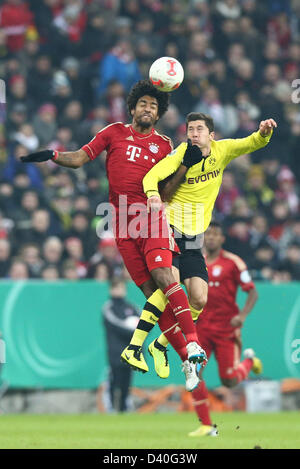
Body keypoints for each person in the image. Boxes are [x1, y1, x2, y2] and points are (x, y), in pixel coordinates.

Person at [20, 80, 207, 381]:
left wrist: (184, 165)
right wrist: (53, 156)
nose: (148, 108)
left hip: (151, 217)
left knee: (164, 277)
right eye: (143, 104)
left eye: (154, 106)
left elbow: (168, 191)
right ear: (133, 108)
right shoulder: (113, 132)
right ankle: (185, 358)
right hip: (122, 224)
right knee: (152, 295)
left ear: (158, 115)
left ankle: (194, 342)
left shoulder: (164, 145)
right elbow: (80, 158)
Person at [142, 112, 276, 388]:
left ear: (211, 135)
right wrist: (153, 196)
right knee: (173, 288)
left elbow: (251, 143)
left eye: (199, 129)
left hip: (194, 238)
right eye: (190, 129)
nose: (193, 133)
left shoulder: (222, 150)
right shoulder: (181, 154)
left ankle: (160, 343)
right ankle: (140, 345)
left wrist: (264, 132)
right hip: (170, 230)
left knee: (199, 300)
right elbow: (151, 176)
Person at [189, 222, 261, 437]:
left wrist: (242, 316)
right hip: (200, 328)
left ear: (222, 239)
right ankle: (206, 425)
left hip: (226, 329)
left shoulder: (233, 263)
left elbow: (252, 292)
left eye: (215, 234)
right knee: (193, 372)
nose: (210, 237)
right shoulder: (195, 261)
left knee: (228, 381)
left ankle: (250, 362)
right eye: (207, 234)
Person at [102, 277, 140, 412]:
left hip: (130, 352)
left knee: (126, 382)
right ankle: (111, 407)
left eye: (122, 288)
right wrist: (132, 331)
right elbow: (115, 324)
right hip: (115, 352)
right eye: (116, 288)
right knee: (114, 380)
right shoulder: (109, 307)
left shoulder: (131, 307)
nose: (119, 291)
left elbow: (143, 323)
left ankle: (124, 408)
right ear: (111, 290)